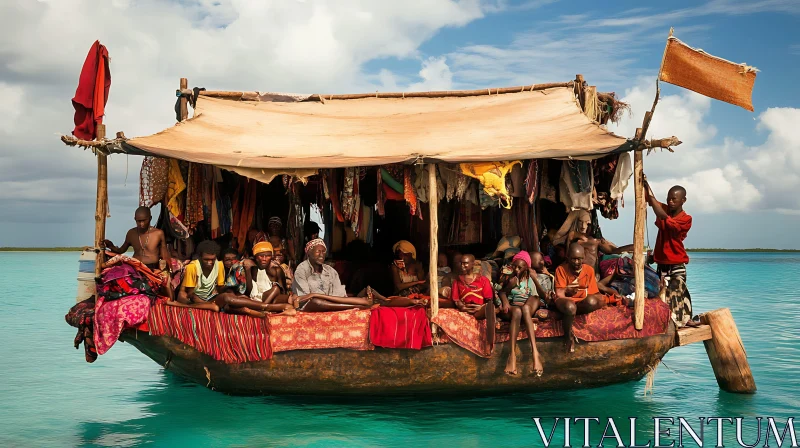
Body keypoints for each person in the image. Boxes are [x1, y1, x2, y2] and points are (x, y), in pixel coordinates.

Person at [645, 179, 695, 328]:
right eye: (668, 199)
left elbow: (661, 215)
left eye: (674, 199)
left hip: (676, 262)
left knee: (678, 290)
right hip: (662, 264)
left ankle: (684, 320)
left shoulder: (686, 219)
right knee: (663, 293)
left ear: (683, 200)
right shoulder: (665, 210)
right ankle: (667, 320)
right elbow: (652, 201)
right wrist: (646, 185)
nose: (671, 201)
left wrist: (653, 200)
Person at [554, 243, 621, 353]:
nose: (576, 262)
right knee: (570, 307)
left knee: (592, 301)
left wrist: (607, 296)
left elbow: (594, 293)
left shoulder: (589, 270)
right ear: (568, 257)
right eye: (574, 259)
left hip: (581, 303)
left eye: (579, 259)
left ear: (583, 258)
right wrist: (567, 290)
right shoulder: (561, 270)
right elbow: (559, 294)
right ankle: (568, 336)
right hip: (566, 302)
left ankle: (569, 315)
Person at [291, 239, 374, 312]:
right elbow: (305, 298)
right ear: (309, 253)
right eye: (318, 251)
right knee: (315, 302)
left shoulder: (331, 271)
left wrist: (321, 296)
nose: (321, 255)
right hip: (308, 305)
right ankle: (358, 306)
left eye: (323, 252)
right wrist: (317, 296)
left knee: (343, 299)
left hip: (331, 303)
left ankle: (362, 302)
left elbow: (339, 295)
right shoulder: (301, 270)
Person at [496, 251, 543, 376]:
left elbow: (543, 296)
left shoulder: (530, 278)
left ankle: (535, 353)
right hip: (514, 308)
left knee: (525, 309)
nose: (516, 269)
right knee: (517, 311)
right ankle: (512, 356)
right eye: (514, 266)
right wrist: (506, 298)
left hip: (527, 307)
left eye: (520, 267)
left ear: (526, 267)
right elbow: (500, 292)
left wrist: (535, 279)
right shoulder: (508, 277)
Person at [103, 206, 171, 273]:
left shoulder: (158, 233)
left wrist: (168, 269)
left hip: (152, 268)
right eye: (139, 221)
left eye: (144, 220)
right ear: (135, 219)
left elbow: (164, 255)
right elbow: (121, 250)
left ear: (150, 218)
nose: (142, 224)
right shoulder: (131, 233)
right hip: (134, 267)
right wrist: (111, 246)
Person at [173, 240, 226, 311]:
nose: (209, 262)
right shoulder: (192, 267)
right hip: (190, 297)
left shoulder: (219, 265)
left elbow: (220, 288)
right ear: (200, 257)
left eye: (212, 260)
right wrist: (208, 303)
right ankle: (183, 305)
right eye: (206, 259)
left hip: (208, 297)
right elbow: (191, 294)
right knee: (214, 308)